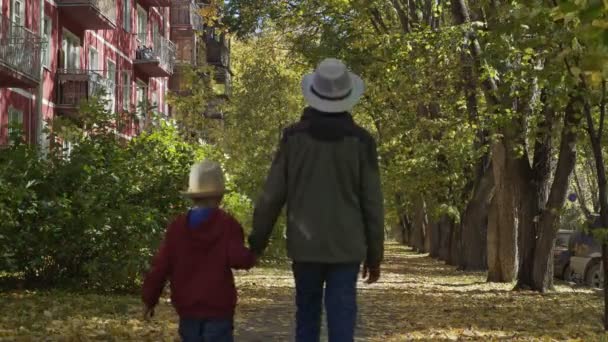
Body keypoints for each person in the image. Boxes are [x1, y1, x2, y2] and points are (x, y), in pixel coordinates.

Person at [248, 58, 385, 342]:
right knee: (342, 315)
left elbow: (272, 194)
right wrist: (374, 256)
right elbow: (372, 203)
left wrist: (256, 242)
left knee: (307, 315)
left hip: (304, 245)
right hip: (347, 248)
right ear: (346, 96)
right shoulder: (361, 142)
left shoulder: (293, 138)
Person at [142, 160, 256, 342]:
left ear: (192, 196)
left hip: (187, 308)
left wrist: (150, 298)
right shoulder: (227, 225)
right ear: (220, 196)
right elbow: (238, 259)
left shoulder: (177, 227)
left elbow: (160, 267)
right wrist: (253, 255)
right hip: (219, 307)